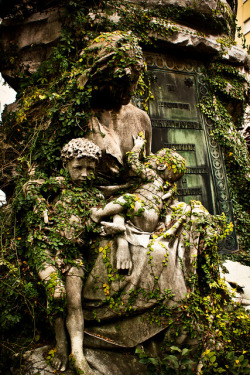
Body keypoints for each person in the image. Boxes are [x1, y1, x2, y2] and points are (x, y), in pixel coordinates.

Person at [25, 138, 102, 374]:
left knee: (74, 302)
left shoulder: (96, 197)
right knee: (56, 294)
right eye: (78, 167)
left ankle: (77, 354)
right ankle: (60, 345)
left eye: (90, 168)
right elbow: (29, 189)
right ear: (66, 164)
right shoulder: (57, 184)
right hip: (45, 247)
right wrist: (40, 206)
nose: (85, 174)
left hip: (73, 253)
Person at [90, 135, 186, 275]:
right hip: (150, 220)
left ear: (161, 166)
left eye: (154, 158)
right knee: (123, 206)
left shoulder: (152, 176)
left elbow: (133, 162)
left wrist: (138, 146)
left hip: (143, 212)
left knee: (127, 199)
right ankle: (119, 226)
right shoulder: (168, 187)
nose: (150, 158)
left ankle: (97, 214)